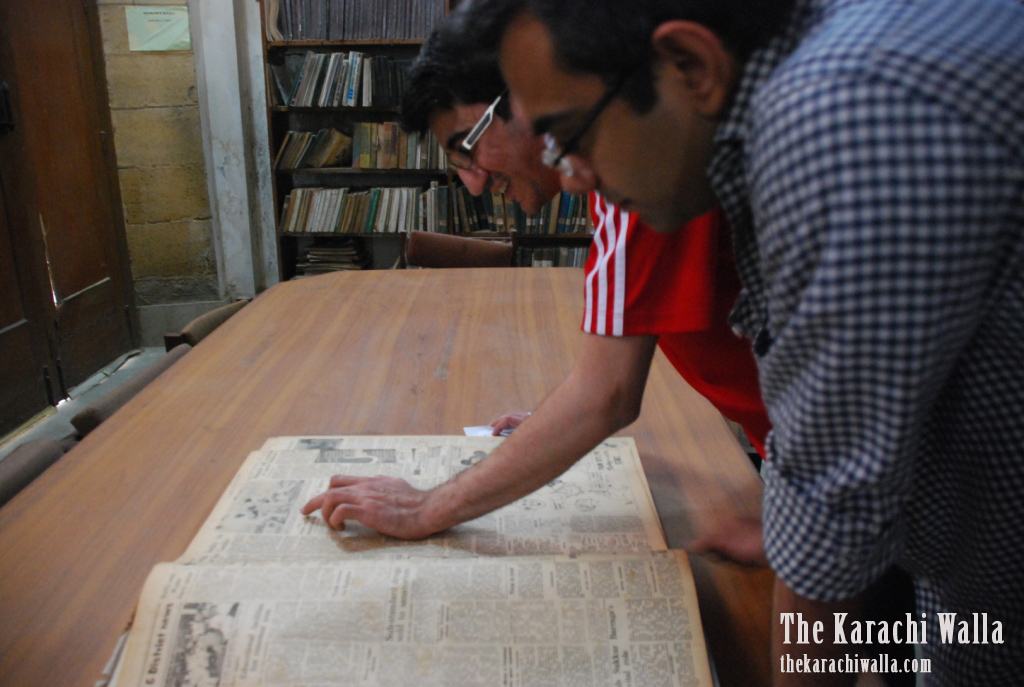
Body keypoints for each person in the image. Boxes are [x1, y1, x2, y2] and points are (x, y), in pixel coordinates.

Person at [463, 0, 1024, 684]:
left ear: (691, 65)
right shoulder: (790, 92)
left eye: (570, 134)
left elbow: (834, 503)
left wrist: (806, 530)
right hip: (958, 574)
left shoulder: (842, 112)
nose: (573, 175)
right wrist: (795, 524)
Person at [302, 16, 771, 564]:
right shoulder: (607, 172)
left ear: (530, 96)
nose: (472, 183)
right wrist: (550, 432)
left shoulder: (640, 167)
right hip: (798, 456)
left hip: (834, 471)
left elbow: (607, 395)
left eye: (467, 146)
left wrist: (425, 509)